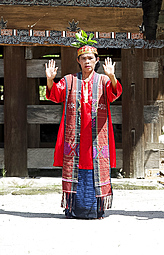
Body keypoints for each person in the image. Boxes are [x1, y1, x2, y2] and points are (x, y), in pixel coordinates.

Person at [45, 31, 122, 219]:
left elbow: (115, 93)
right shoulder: (69, 80)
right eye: (83, 58)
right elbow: (55, 94)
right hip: (76, 136)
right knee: (76, 168)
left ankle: (96, 209)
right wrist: (49, 79)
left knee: (95, 167)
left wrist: (112, 76)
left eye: (90, 58)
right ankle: (74, 209)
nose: (87, 61)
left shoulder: (103, 80)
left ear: (97, 60)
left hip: (97, 136)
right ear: (78, 61)